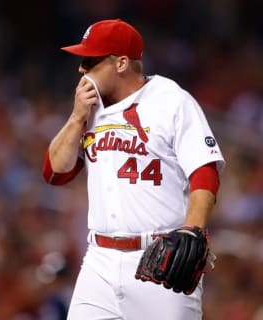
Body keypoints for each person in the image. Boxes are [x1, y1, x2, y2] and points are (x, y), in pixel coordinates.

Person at [42, 18, 225, 319]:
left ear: (121, 63)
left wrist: (193, 229)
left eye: (90, 60)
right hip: (99, 260)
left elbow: (205, 170)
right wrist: (76, 119)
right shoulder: (89, 108)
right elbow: (54, 172)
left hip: (159, 258)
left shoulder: (171, 100)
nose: (81, 69)